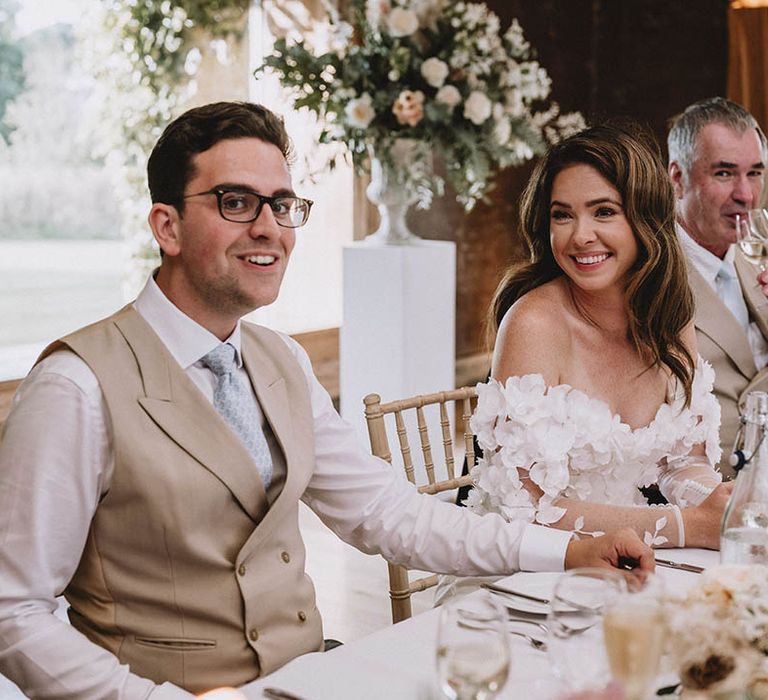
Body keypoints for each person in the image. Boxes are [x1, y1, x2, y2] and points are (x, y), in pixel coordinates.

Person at [0, 102, 653, 699]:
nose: (269, 228)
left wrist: (566, 551)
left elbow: (391, 514)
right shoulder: (74, 386)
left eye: (282, 205)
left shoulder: (281, 360)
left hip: (312, 679)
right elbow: (15, 613)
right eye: (236, 202)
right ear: (166, 225)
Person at [463, 124, 731, 552]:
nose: (580, 235)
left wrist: (724, 508)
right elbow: (525, 506)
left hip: (627, 559)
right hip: (525, 567)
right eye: (562, 214)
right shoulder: (533, 324)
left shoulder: (669, 317)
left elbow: (684, 462)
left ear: (646, 217)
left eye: (603, 211)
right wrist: (687, 526)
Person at [667, 97, 768, 478]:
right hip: (710, 490)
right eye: (725, 173)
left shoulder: (759, 249)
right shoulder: (648, 272)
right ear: (678, 178)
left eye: (755, 172)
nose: (746, 194)